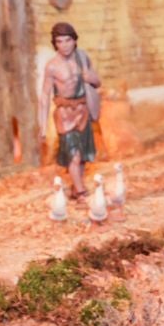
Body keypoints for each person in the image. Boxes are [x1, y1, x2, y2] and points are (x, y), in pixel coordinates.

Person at [45, 21, 101, 199]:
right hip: (64, 114)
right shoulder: (52, 66)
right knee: (73, 154)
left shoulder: (82, 57)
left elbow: (97, 82)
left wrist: (89, 77)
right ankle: (82, 192)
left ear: (74, 40)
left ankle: (77, 188)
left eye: (67, 40)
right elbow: (43, 95)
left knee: (83, 155)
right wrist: (41, 125)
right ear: (55, 44)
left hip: (82, 111)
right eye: (59, 41)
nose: (64, 45)